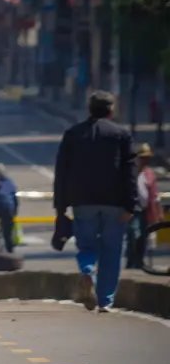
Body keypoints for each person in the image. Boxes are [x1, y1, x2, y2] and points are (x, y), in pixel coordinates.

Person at [54, 91, 138, 312]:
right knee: (111, 251)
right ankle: (105, 300)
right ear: (111, 110)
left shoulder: (73, 134)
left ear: (89, 109)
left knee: (87, 245)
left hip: (83, 202)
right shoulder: (121, 134)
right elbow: (129, 171)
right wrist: (131, 204)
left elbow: (62, 171)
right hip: (115, 202)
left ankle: (87, 270)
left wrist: (61, 206)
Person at [127, 143, 163, 269]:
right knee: (134, 234)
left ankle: (139, 261)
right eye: (142, 157)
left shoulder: (149, 173)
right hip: (133, 209)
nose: (145, 160)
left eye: (147, 157)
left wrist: (159, 213)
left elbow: (154, 195)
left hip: (145, 210)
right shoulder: (131, 171)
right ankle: (131, 260)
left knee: (143, 236)